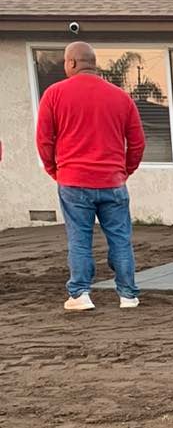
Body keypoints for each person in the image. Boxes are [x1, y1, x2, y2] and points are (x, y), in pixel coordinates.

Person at [35, 41, 146, 312]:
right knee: (120, 238)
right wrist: (125, 171)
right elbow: (138, 142)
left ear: (72, 62)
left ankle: (80, 294)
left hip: (73, 181)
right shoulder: (121, 97)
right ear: (93, 63)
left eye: (65, 62)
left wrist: (54, 170)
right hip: (113, 182)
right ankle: (128, 295)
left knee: (79, 239)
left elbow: (44, 140)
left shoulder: (54, 94)